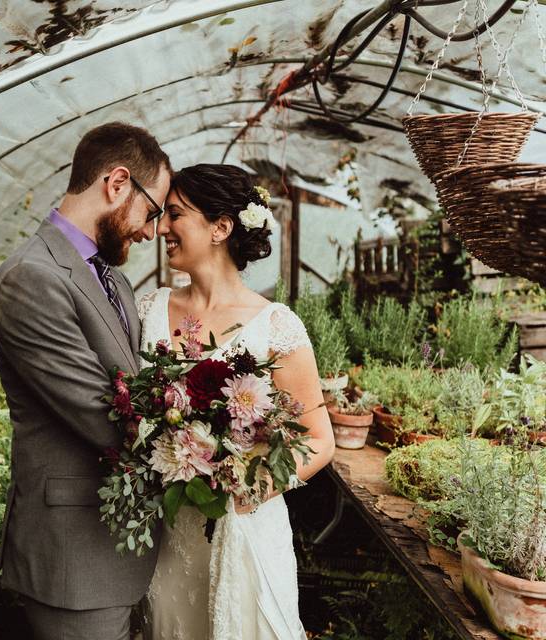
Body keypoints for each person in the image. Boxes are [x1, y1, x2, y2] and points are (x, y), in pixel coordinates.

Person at [0, 121, 172, 640]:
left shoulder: (111, 275)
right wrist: (207, 442)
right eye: (152, 211)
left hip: (117, 544)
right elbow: (102, 411)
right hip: (74, 557)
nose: (151, 231)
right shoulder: (32, 278)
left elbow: (131, 379)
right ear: (117, 184)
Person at [139, 164, 335, 640]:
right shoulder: (149, 309)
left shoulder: (275, 325)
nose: (161, 227)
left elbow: (319, 440)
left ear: (221, 228)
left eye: (176, 215)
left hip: (244, 529)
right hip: (171, 535)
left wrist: (246, 492)